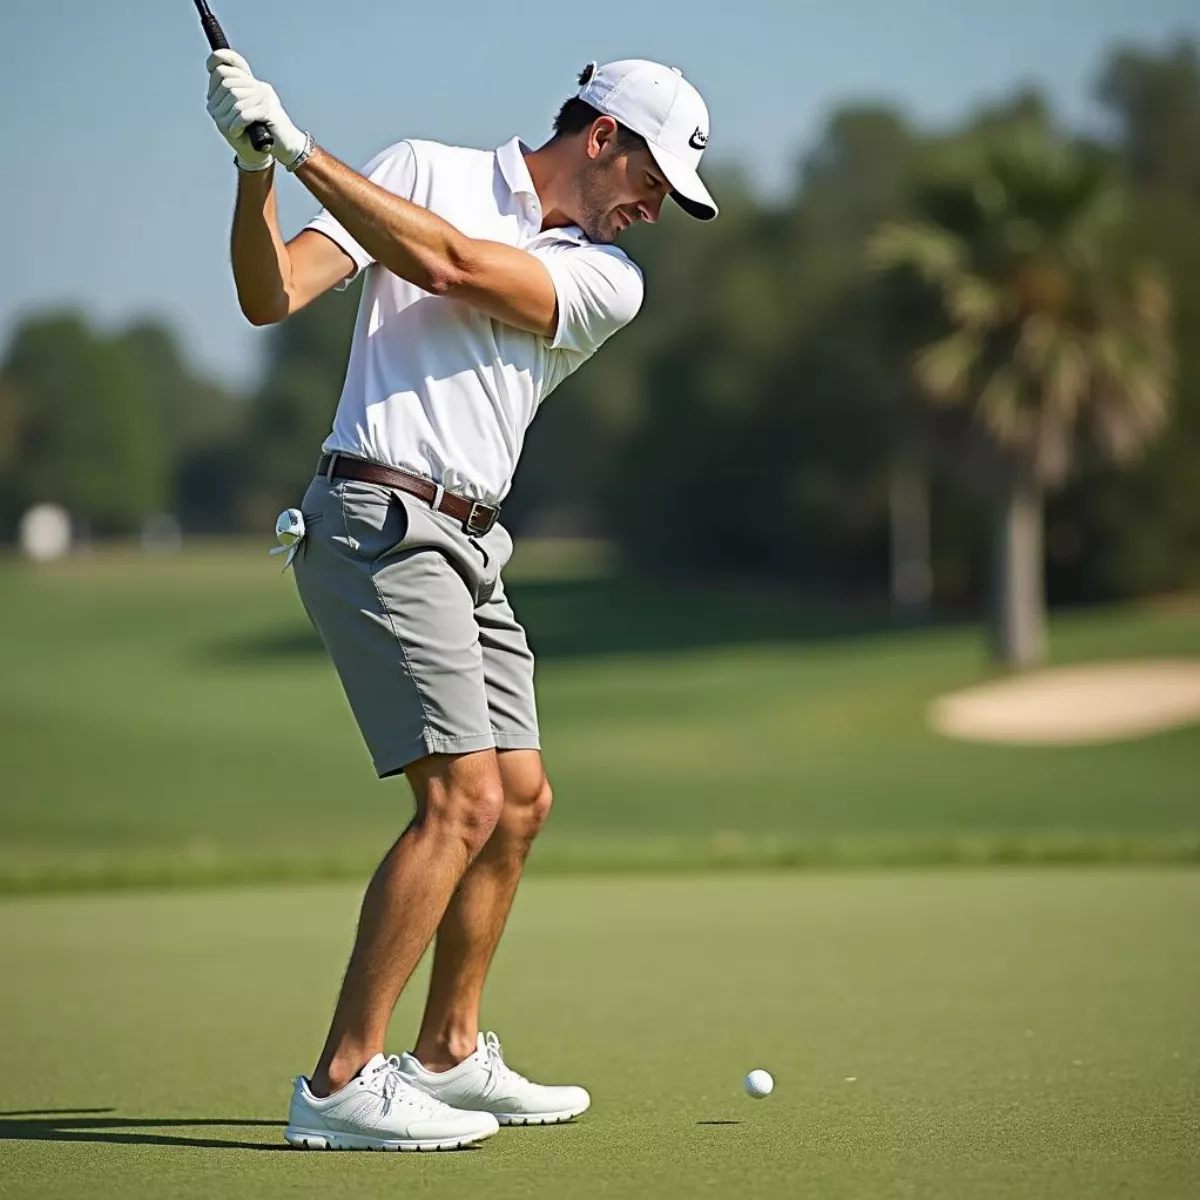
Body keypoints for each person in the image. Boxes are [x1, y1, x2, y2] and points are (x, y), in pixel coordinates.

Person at [205, 49, 717, 1152]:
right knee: (463, 803)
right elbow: (268, 295)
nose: (654, 211)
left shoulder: (605, 280)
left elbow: (443, 266)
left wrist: (298, 148)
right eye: (653, 182)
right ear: (601, 137)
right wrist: (256, 173)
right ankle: (342, 1079)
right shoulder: (418, 169)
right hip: (376, 522)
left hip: (474, 544)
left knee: (520, 798)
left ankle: (446, 1050)